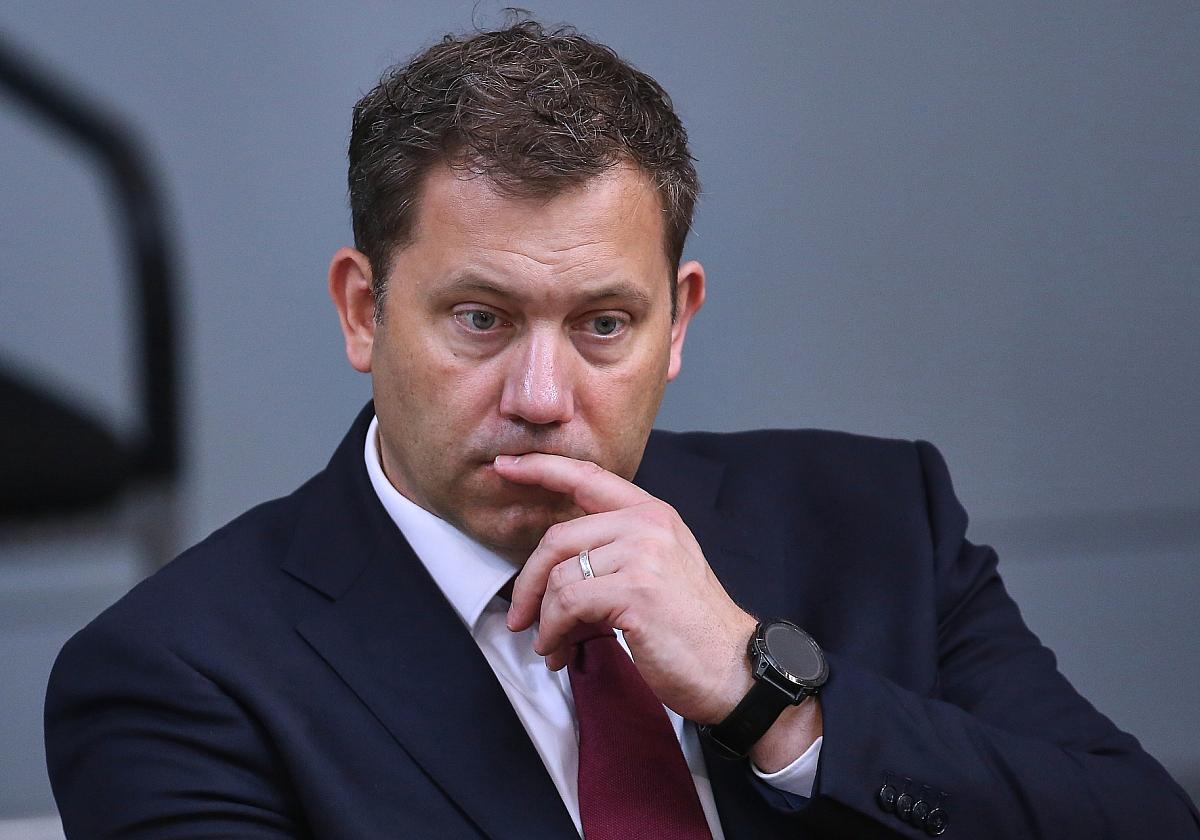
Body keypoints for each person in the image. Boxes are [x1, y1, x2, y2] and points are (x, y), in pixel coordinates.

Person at [45, 19, 1199, 840]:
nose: (543, 395)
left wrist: (772, 703)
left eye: (603, 324)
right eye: (482, 319)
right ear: (363, 310)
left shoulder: (880, 519)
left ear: (677, 322)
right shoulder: (179, 673)